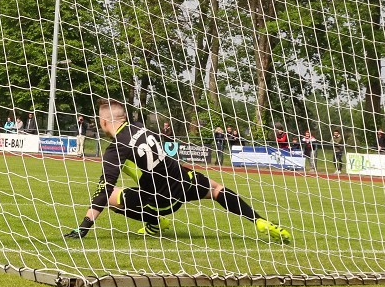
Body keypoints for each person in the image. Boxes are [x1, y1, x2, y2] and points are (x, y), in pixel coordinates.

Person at [64, 99, 290, 242]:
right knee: (216, 189)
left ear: (104, 122)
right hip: (181, 180)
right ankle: (260, 221)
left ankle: (155, 222)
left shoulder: (116, 148)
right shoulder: (144, 128)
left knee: (111, 196)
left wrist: (84, 226)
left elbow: (105, 188)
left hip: (161, 200)